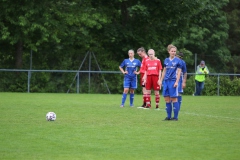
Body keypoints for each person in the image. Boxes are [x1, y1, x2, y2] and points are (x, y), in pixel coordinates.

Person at [159, 44, 182, 121]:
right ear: (168, 51)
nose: (173, 52)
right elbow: (164, 71)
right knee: (167, 99)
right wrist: (160, 80)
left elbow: (179, 72)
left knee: (174, 99)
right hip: (166, 81)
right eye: (172, 51)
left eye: (175, 51)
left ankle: (175, 117)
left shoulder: (178, 61)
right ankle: (168, 117)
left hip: (173, 81)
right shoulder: (166, 60)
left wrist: (176, 82)